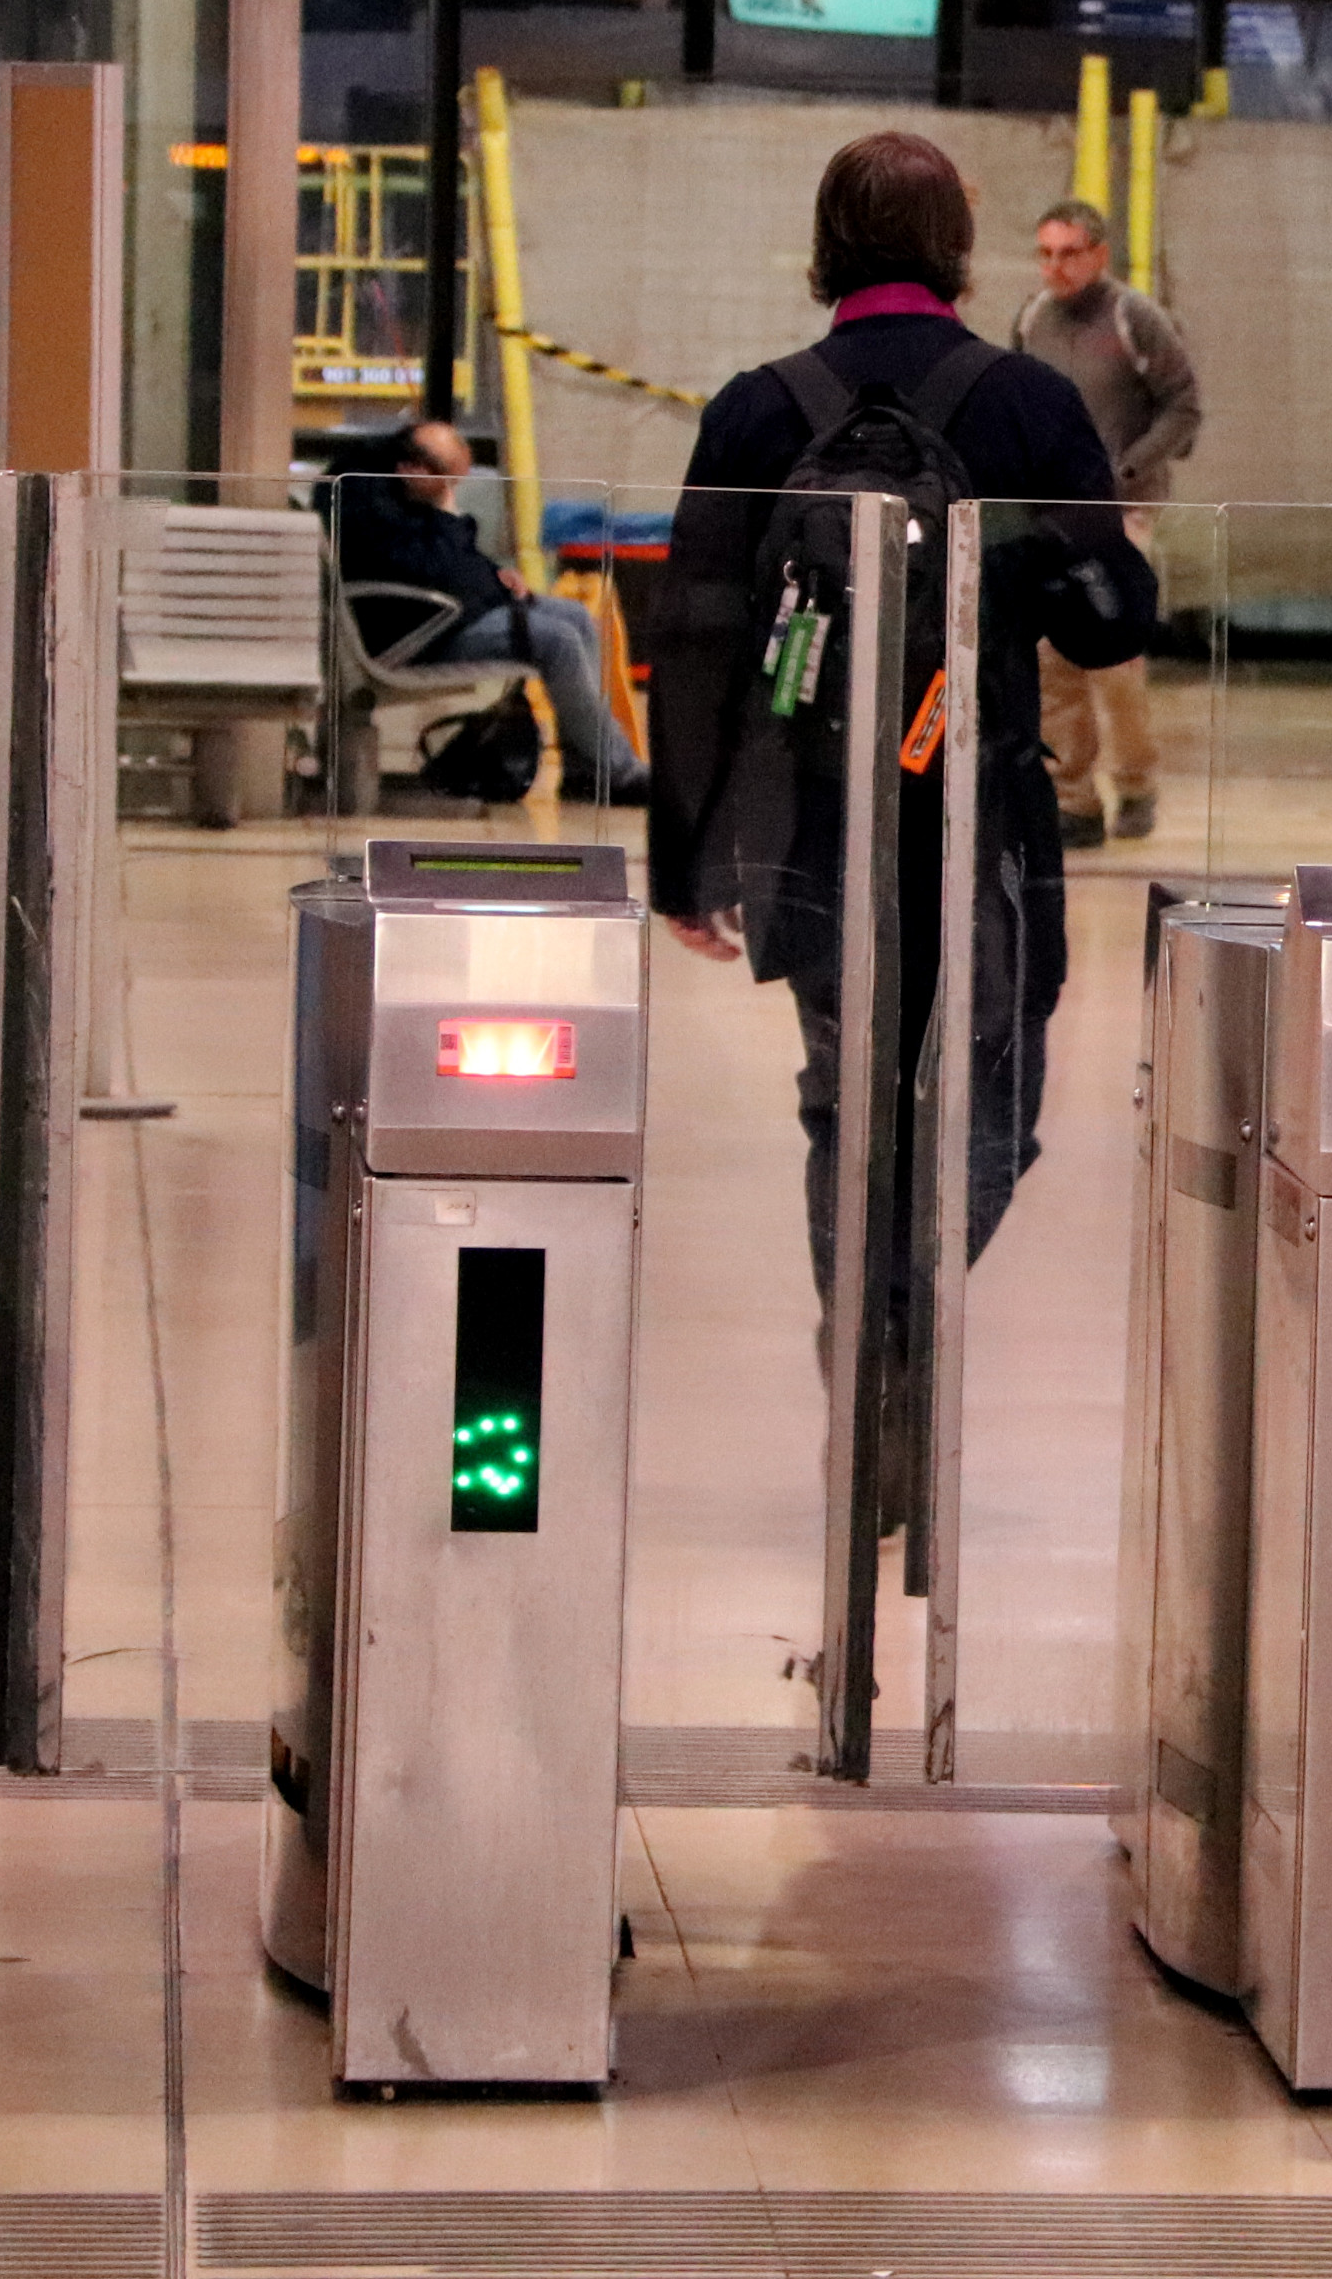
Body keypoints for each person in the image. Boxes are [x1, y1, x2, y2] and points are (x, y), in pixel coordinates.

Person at [646, 132, 1155, 1410]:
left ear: (825, 249)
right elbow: (1112, 624)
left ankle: (865, 1353)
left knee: (843, 1099)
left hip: (808, 826)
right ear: (958, 255)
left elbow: (695, 643)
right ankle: (908, 1334)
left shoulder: (757, 407)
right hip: (985, 827)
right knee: (996, 1104)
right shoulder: (1031, 403)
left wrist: (685, 861)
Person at [1007, 197, 1197, 848]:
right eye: (1045, 253)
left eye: (1068, 253)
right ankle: (1075, 800)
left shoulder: (1133, 317)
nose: (1055, 267)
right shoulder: (1030, 320)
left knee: (1115, 660)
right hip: (1053, 514)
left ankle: (1137, 784)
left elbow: (1184, 405)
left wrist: (1132, 469)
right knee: (1051, 662)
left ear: (1098, 254)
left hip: (1122, 514)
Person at [332, 415, 648, 805]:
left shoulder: (404, 490)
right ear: (413, 468)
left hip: (444, 612)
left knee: (577, 617)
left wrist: (495, 575)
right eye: (448, 482)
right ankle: (619, 772)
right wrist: (446, 515)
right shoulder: (368, 506)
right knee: (558, 640)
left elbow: (454, 564)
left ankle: (586, 770)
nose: (452, 491)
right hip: (418, 630)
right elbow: (430, 568)